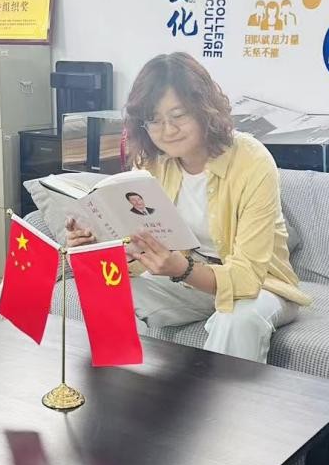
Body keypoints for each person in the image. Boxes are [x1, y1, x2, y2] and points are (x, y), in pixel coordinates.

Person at [66, 52, 310, 363]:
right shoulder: (152, 162)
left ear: (204, 109)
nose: (167, 130)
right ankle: (120, 387)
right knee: (106, 289)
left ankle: (225, 398)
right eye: (154, 120)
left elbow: (248, 277)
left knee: (237, 319)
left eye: (178, 115)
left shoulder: (252, 160)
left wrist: (182, 269)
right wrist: (97, 243)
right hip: (187, 279)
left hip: (261, 285)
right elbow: (139, 243)